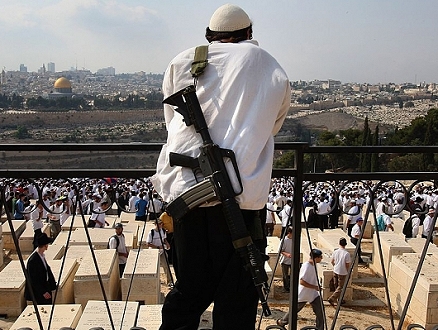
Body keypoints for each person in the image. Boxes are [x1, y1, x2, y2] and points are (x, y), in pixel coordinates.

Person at [151, 4, 290, 329]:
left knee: (189, 292)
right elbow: (272, 125)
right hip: (240, 205)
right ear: (249, 35)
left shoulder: (181, 61)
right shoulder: (267, 64)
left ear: (210, 37)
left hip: (189, 202)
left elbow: (173, 125)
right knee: (237, 301)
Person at [277, 249, 325, 330]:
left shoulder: (314, 265)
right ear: (316, 258)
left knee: (320, 312)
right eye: (320, 257)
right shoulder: (306, 266)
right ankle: (282, 322)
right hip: (304, 293)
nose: (321, 258)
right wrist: (314, 287)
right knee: (294, 310)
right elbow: (302, 281)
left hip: (313, 294)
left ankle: (320, 328)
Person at [24, 233, 57, 304]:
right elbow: (33, 279)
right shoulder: (33, 260)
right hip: (39, 293)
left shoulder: (42, 256)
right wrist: (43, 292)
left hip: (46, 287)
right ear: (45, 245)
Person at [147, 219, 172, 285]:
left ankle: (169, 281)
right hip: (153, 252)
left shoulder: (163, 231)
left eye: (161, 224)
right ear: (155, 224)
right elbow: (148, 243)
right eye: (159, 224)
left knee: (166, 266)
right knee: (154, 267)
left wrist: (167, 243)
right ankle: (155, 280)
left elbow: (164, 239)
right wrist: (157, 247)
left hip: (162, 251)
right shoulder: (151, 233)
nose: (160, 225)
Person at [327, 237, 351, 307]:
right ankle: (332, 298)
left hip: (335, 270)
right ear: (345, 244)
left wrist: (335, 266)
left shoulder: (336, 251)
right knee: (340, 287)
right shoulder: (346, 254)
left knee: (336, 286)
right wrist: (347, 271)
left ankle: (339, 300)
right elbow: (347, 264)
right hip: (342, 272)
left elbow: (332, 261)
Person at [279, 226, 293, 292]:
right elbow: (280, 250)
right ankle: (286, 288)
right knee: (285, 275)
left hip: (292, 260)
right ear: (289, 233)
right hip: (285, 260)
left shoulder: (295, 239)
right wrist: (287, 254)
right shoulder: (284, 240)